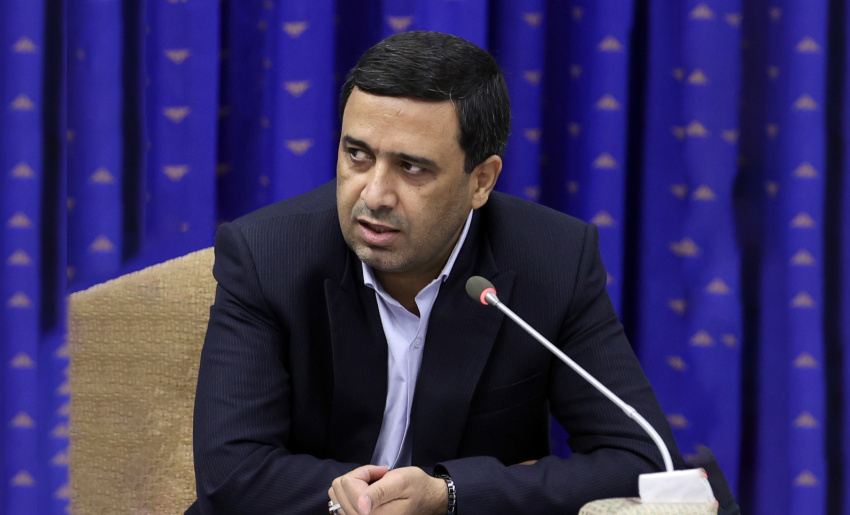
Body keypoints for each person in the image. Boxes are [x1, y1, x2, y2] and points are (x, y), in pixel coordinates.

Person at [188, 31, 686, 514]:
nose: (374, 195)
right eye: (357, 155)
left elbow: (645, 462)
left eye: (411, 168)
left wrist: (451, 494)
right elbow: (231, 473)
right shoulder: (267, 255)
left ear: (481, 181)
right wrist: (352, 501)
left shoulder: (553, 260)